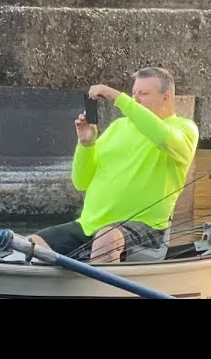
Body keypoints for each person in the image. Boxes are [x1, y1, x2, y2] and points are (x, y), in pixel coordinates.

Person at [27, 66, 199, 263]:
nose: (136, 99)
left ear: (166, 98)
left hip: (147, 226)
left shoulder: (184, 129)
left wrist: (118, 97)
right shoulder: (117, 127)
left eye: (143, 93)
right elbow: (81, 182)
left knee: (107, 238)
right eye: (134, 93)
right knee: (29, 244)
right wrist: (86, 144)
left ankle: (98, 289)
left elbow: (161, 136)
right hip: (89, 225)